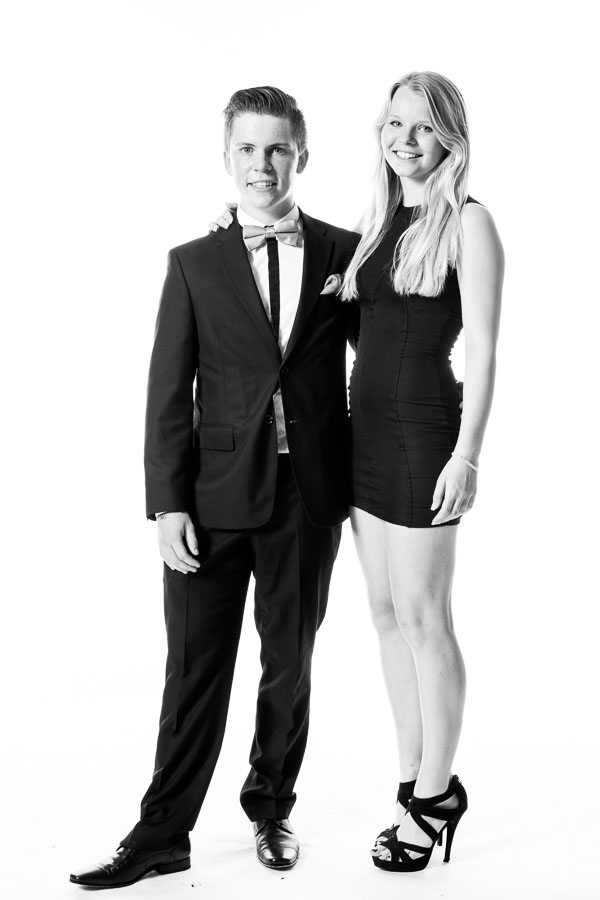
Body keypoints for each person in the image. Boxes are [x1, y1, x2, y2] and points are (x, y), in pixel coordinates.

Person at [69, 86, 359, 888]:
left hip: (308, 497)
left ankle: (271, 807)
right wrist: (166, 503)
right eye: (247, 150)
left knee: (288, 665)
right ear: (226, 157)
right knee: (195, 669)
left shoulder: (345, 253)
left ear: (302, 154)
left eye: (278, 148)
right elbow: (168, 391)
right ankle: (162, 833)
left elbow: (380, 361)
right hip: (210, 498)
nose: (262, 165)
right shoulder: (192, 263)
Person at [341, 71, 504, 872]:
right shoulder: (376, 223)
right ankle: (412, 777)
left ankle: (437, 796)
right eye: (395, 124)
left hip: (423, 437)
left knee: (425, 617)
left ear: (450, 138)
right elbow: (361, 331)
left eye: (424, 127)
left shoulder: (469, 221)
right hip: (363, 437)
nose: (405, 140)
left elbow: (485, 349)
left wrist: (467, 454)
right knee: (383, 614)